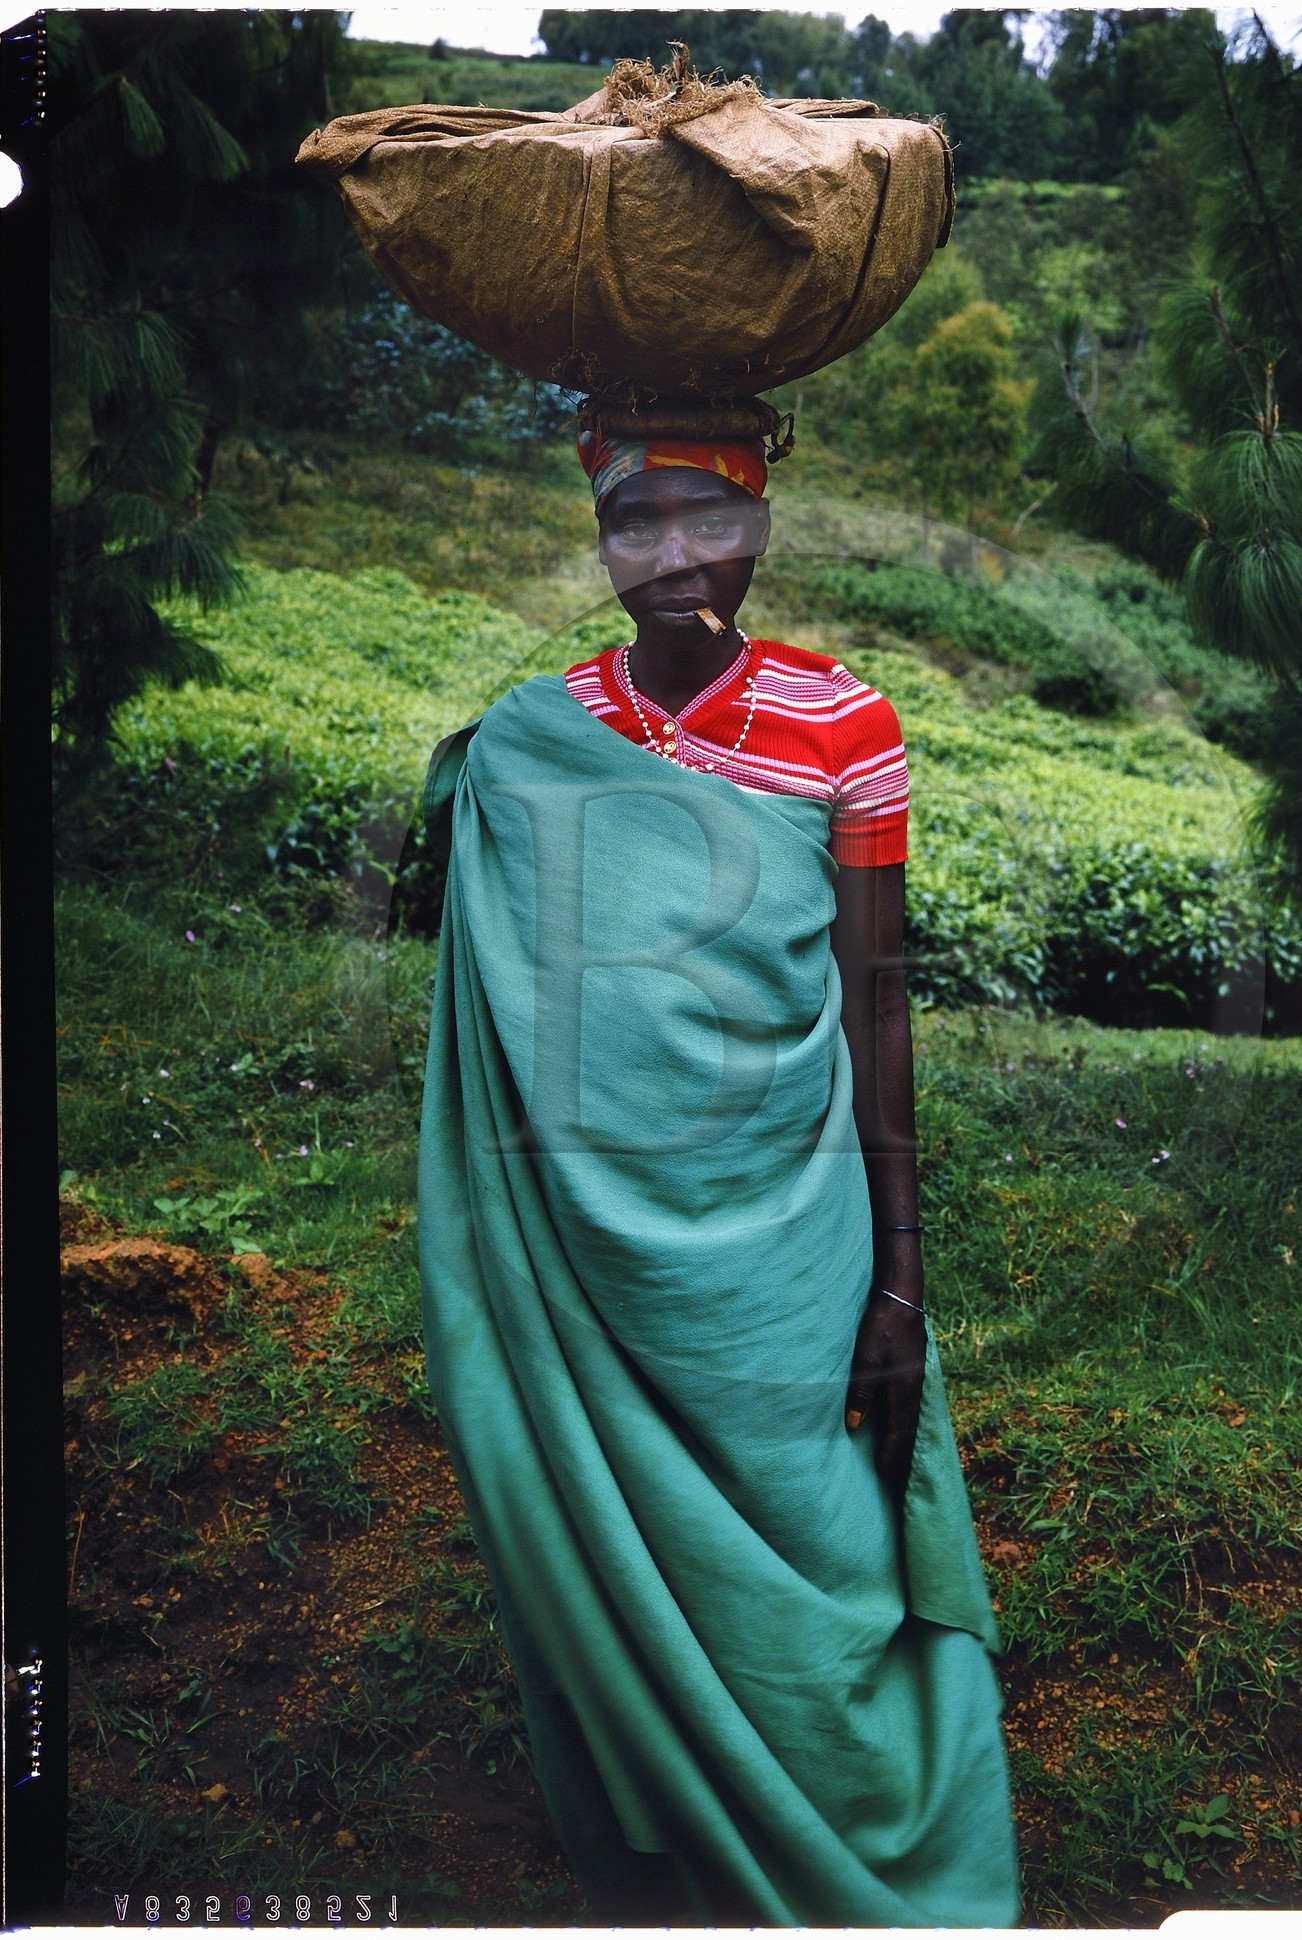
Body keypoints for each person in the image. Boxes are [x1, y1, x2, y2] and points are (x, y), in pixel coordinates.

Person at [415, 411, 1020, 1926]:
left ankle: (874, 1837)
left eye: (709, 520)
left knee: (821, 1527)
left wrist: (898, 1277)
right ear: (600, 541)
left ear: (760, 525)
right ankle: (672, 1822)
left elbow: (876, 999)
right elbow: (523, 976)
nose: (673, 558)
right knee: (616, 1519)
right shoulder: (537, 727)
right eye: (636, 525)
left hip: (791, 1229)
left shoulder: (846, 726)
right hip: (592, 1236)